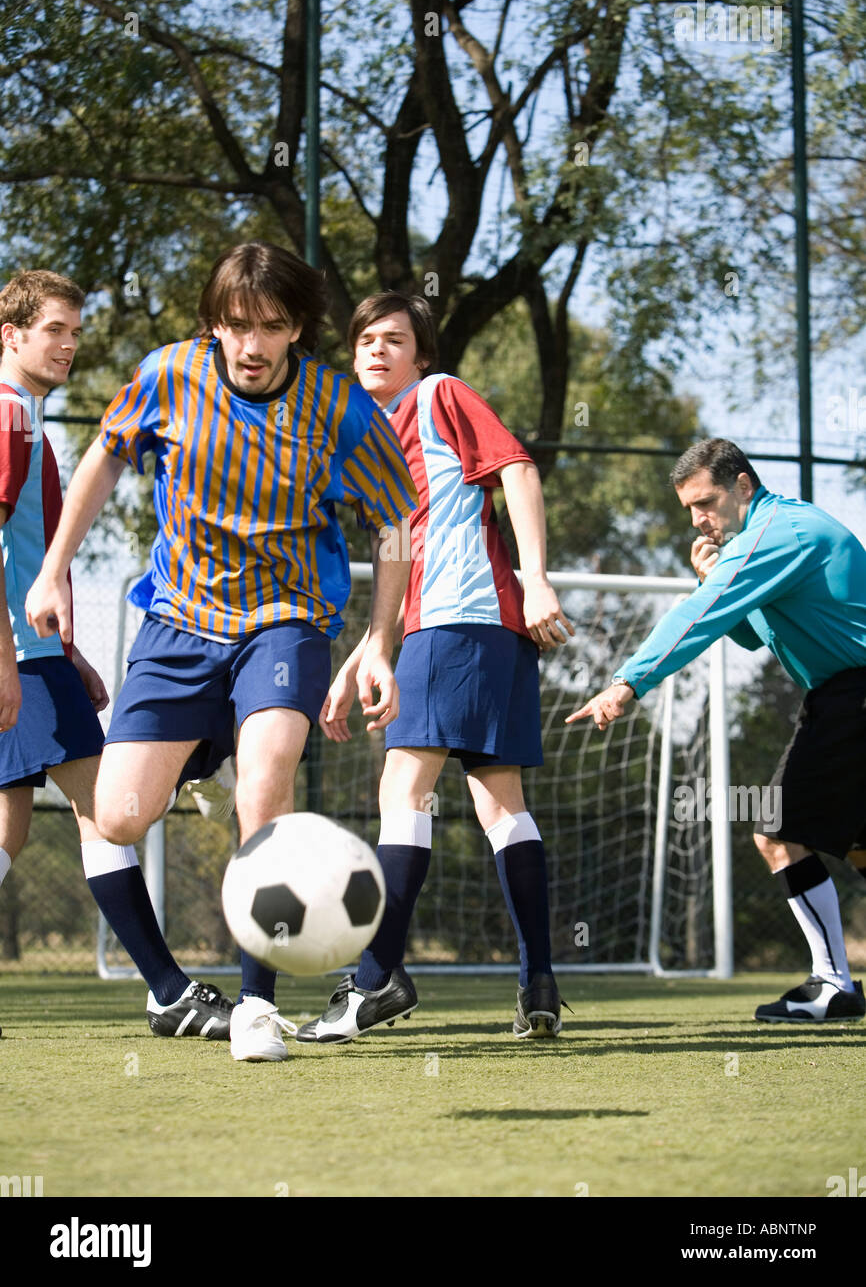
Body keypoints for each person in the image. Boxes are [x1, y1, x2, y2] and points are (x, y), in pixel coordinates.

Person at [25, 244, 417, 1062]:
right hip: (178, 622)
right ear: (214, 324)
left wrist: (379, 642)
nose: (251, 343)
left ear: (297, 330)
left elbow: (394, 525)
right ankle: (208, 756)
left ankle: (255, 1007)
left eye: (271, 327)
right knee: (120, 816)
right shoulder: (168, 376)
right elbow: (103, 455)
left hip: (286, 621)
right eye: (237, 325)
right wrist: (55, 569)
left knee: (267, 784)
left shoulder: (341, 408)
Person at [297, 292, 575, 1045]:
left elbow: (516, 469)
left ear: (421, 355)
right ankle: (539, 982)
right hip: (464, 627)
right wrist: (368, 648)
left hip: (460, 618)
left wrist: (537, 576)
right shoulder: (370, 440)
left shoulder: (439, 395)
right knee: (500, 804)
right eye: (364, 340)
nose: (376, 350)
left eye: (394, 339)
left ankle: (376, 978)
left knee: (403, 790)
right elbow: (399, 556)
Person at [0, 269, 233, 1040]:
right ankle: (167, 989)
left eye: (75, 331)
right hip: (16, 657)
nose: (70, 344)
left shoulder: (27, 417)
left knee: (11, 829)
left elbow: (28, 555)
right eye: (54, 331)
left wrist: (66, 652)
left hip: (37, 652)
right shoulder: (9, 416)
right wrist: (12, 660)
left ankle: (166, 988)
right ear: (12, 336)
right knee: (111, 810)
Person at [567, 437, 866, 1023]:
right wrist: (712, 583)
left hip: (853, 697)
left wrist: (626, 683)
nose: (700, 521)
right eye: (690, 511)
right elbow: (752, 632)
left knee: (776, 832)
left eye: (706, 503)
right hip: (844, 694)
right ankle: (836, 983)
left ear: (743, 487)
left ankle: (834, 984)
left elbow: (699, 620)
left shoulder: (778, 531)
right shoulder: (773, 533)